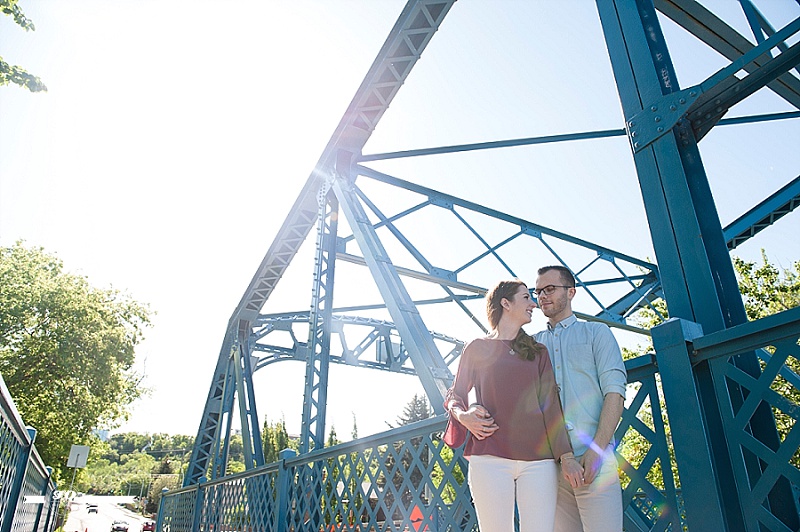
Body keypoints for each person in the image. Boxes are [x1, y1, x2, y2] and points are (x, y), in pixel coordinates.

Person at [444, 279, 583, 532]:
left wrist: (567, 457)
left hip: (539, 462)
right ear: (505, 303)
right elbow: (456, 394)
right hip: (490, 457)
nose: (534, 304)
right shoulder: (477, 348)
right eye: (526, 297)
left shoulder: (538, 352)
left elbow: (551, 407)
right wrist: (463, 416)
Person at [534, 265, 627, 532]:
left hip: (593, 460)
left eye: (550, 289)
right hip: (550, 467)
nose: (542, 296)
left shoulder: (597, 333)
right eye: (538, 291)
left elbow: (615, 392)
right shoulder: (532, 345)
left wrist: (596, 451)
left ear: (571, 292)